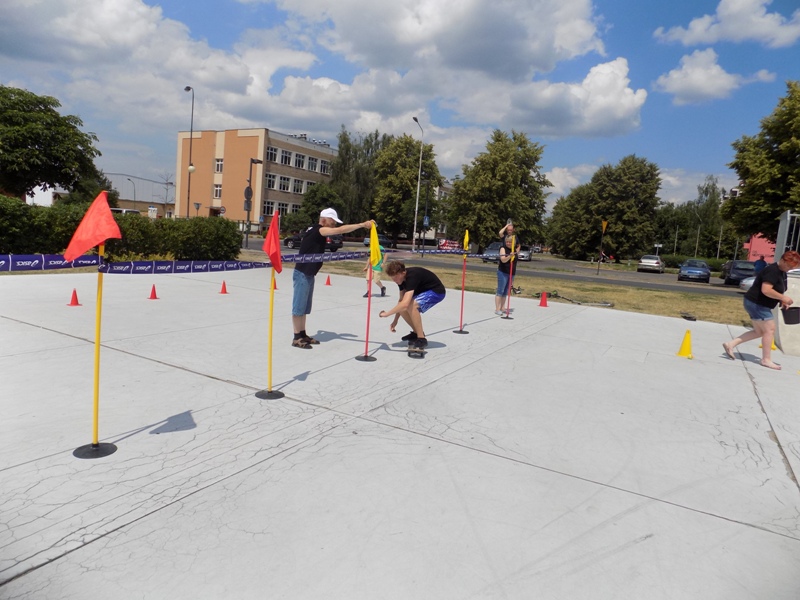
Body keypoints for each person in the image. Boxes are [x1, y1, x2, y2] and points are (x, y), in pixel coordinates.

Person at [291, 208, 373, 349]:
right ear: (324, 219)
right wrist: (361, 225)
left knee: (304, 307)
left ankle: (303, 334)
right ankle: (296, 337)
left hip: (309, 273)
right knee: (299, 307)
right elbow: (339, 231)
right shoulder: (319, 229)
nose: (334, 224)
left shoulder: (315, 230)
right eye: (332, 221)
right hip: (303, 273)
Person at [722, 250, 800, 370]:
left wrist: (781, 300)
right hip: (757, 303)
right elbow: (766, 290)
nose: (789, 269)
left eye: (792, 267)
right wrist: (783, 297)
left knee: (759, 332)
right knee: (770, 330)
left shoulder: (782, 272)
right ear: (783, 260)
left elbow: (776, 290)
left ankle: (730, 344)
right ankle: (766, 360)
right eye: (789, 266)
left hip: (755, 303)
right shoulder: (773, 271)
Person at [379, 261, 446, 351]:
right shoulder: (401, 280)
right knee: (403, 308)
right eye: (392, 278)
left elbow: (406, 303)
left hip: (437, 292)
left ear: (403, 272)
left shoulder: (412, 276)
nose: (394, 280)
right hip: (424, 292)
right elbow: (401, 302)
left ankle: (421, 339)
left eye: (396, 278)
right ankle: (416, 333)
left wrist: (387, 314)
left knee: (412, 305)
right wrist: (395, 321)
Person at [495, 234, 519, 315]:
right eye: (507, 242)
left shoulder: (514, 249)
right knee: (500, 290)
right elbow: (503, 260)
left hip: (511, 273)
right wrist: (509, 256)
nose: (508, 243)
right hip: (503, 272)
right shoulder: (503, 248)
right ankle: (497, 309)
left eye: (510, 242)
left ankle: (503, 307)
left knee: (506, 291)